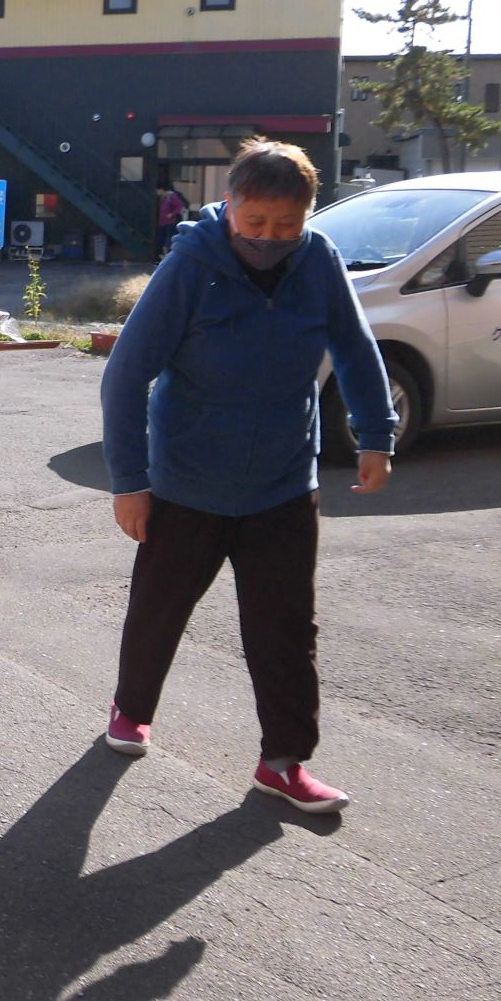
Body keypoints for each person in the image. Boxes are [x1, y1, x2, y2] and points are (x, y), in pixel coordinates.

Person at [100, 138, 397, 814]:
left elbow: (354, 348)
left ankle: (284, 762)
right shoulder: (191, 268)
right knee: (159, 610)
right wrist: (129, 480)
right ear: (230, 205)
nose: (270, 239)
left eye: (287, 226)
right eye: (256, 223)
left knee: (286, 628)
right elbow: (126, 376)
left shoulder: (318, 262)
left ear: (307, 216)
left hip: (283, 483)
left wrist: (376, 435)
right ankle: (131, 709)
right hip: (186, 483)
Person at [155, 182, 187, 260]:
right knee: (162, 240)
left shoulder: (171, 196)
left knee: (168, 240)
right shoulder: (163, 198)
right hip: (163, 222)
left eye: (157, 190)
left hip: (170, 222)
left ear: (161, 190)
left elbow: (180, 205)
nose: (156, 192)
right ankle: (164, 256)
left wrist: (171, 214)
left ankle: (168, 257)